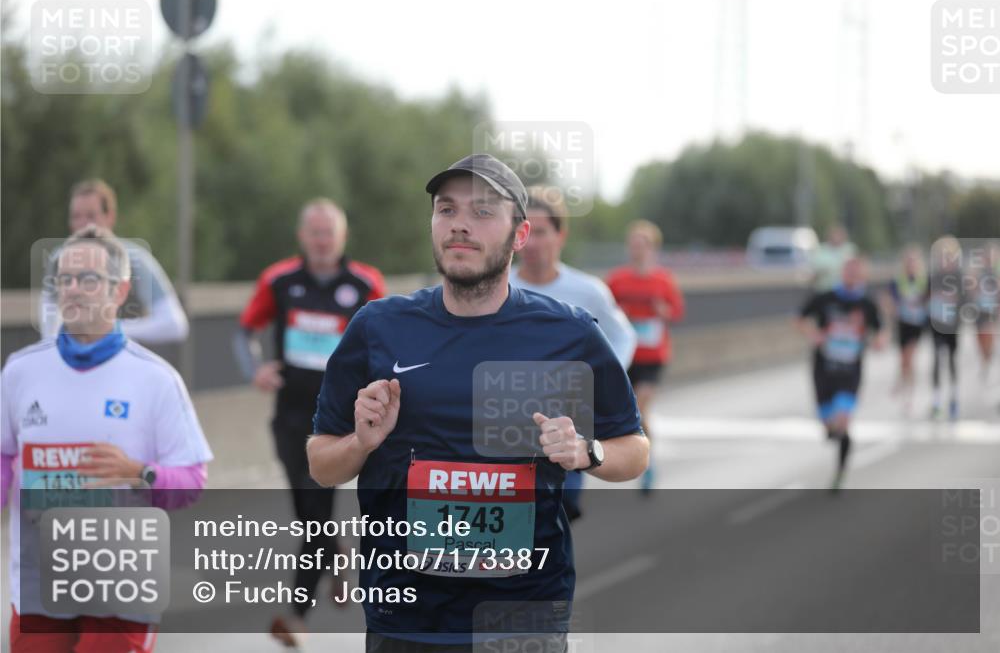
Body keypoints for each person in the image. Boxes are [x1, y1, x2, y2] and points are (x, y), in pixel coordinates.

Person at [307, 154, 649, 651]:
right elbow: (322, 466)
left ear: (521, 234)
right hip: (405, 617)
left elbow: (634, 449)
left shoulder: (568, 333)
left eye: (483, 212)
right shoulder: (378, 327)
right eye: (446, 210)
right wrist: (360, 443)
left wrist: (586, 452)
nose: (460, 225)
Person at [2, 226, 213, 652]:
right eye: (65, 279)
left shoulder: (156, 380)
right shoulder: (20, 372)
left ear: (120, 290)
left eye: (89, 279)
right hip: (39, 580)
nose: (74, 290)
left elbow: (192, 480)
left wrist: (140, 473)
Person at [233, 198, 385, 647]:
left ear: (342, 238)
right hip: (289, 413)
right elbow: (244, 332)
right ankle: (335, 555)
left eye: (329, 233)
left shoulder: (364, 283)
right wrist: (253, 370)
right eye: (314, 233)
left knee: (316, 513)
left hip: (337, 418)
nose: (321, 241)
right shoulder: (279, 280)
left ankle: (296, 614)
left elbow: (387, 338)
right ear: (303, 237)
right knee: (307, 513)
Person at [511, 186, 637, 522]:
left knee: (556, 515)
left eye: (541, 232)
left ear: (560, 235)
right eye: (526, 232)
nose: (532, 243)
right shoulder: (498, 287)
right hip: (506, 421)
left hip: (567, 428)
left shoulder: (587, 291)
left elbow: (623, 337)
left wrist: (602, 382)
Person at [39, 179, 189, 344]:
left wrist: (110, 329)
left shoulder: (135, 259)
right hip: (74, 363)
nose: (82, 224)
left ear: (110, 216)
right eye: (76, 216)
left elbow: (175, 324)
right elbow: (49, 329)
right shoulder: (59, 258)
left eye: (90, 215)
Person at [606, 220, 685, 493]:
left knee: (640, 408)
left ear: (653, 248)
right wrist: (620, 315)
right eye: (632, 245)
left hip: (654, 355)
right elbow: (604, 311)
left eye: (641, 245)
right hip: (625, 355)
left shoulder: (663, 280)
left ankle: (646, 463)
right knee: (633, 413)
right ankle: (644, 456)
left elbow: (677, 313)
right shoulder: (617, 279)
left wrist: (664, 311)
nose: (636, 250)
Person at [797, 257, 886, 492]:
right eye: (849, 271)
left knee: (843, 422)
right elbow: (799, 318)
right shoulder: (826, 298)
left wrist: (878, 342)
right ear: (842, 273)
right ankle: (834, 433)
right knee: (830, 428)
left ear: (863, 276)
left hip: (850, 372)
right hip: (823, 370)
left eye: (857, 272)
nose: (852, 276)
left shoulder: (867, 303)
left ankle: (840, 473)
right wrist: (812, 334)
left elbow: (880, 331)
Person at [882, 246, 929, 414]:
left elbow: (930, 299)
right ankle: (901, 381)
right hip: (903, 323)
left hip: (916, 324)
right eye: (908, 261)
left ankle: (909, 396)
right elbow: (888, 299)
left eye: (913, 261)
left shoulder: (923, 279)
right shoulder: (898, 280)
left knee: (910, 357)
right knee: (903, 359)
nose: (911, 264)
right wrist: (892, 309)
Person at [927, 236, 965, 421]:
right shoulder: (933, 277)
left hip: (952, 325)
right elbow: (924, 299)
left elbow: (965, 301)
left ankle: (954, 398)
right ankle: (935, 402)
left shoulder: (958, 278)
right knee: (935, 359)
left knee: (951, 360)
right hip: (936, 325)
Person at [971, 241, 1000, 381]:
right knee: (980, 340)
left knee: (989, 336)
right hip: (979, 310)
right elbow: (971, 289)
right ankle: (985, 360)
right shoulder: (978, 272)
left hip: (991, 310)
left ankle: (988, 359)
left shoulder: (997, 273)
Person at [811, 224, 857, 293]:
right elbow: (816, 270)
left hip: (846, 291)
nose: (836, 237)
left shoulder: (850, 249)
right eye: (834, 234)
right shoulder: (821, 250)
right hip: (825, 289)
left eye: (839, 234)